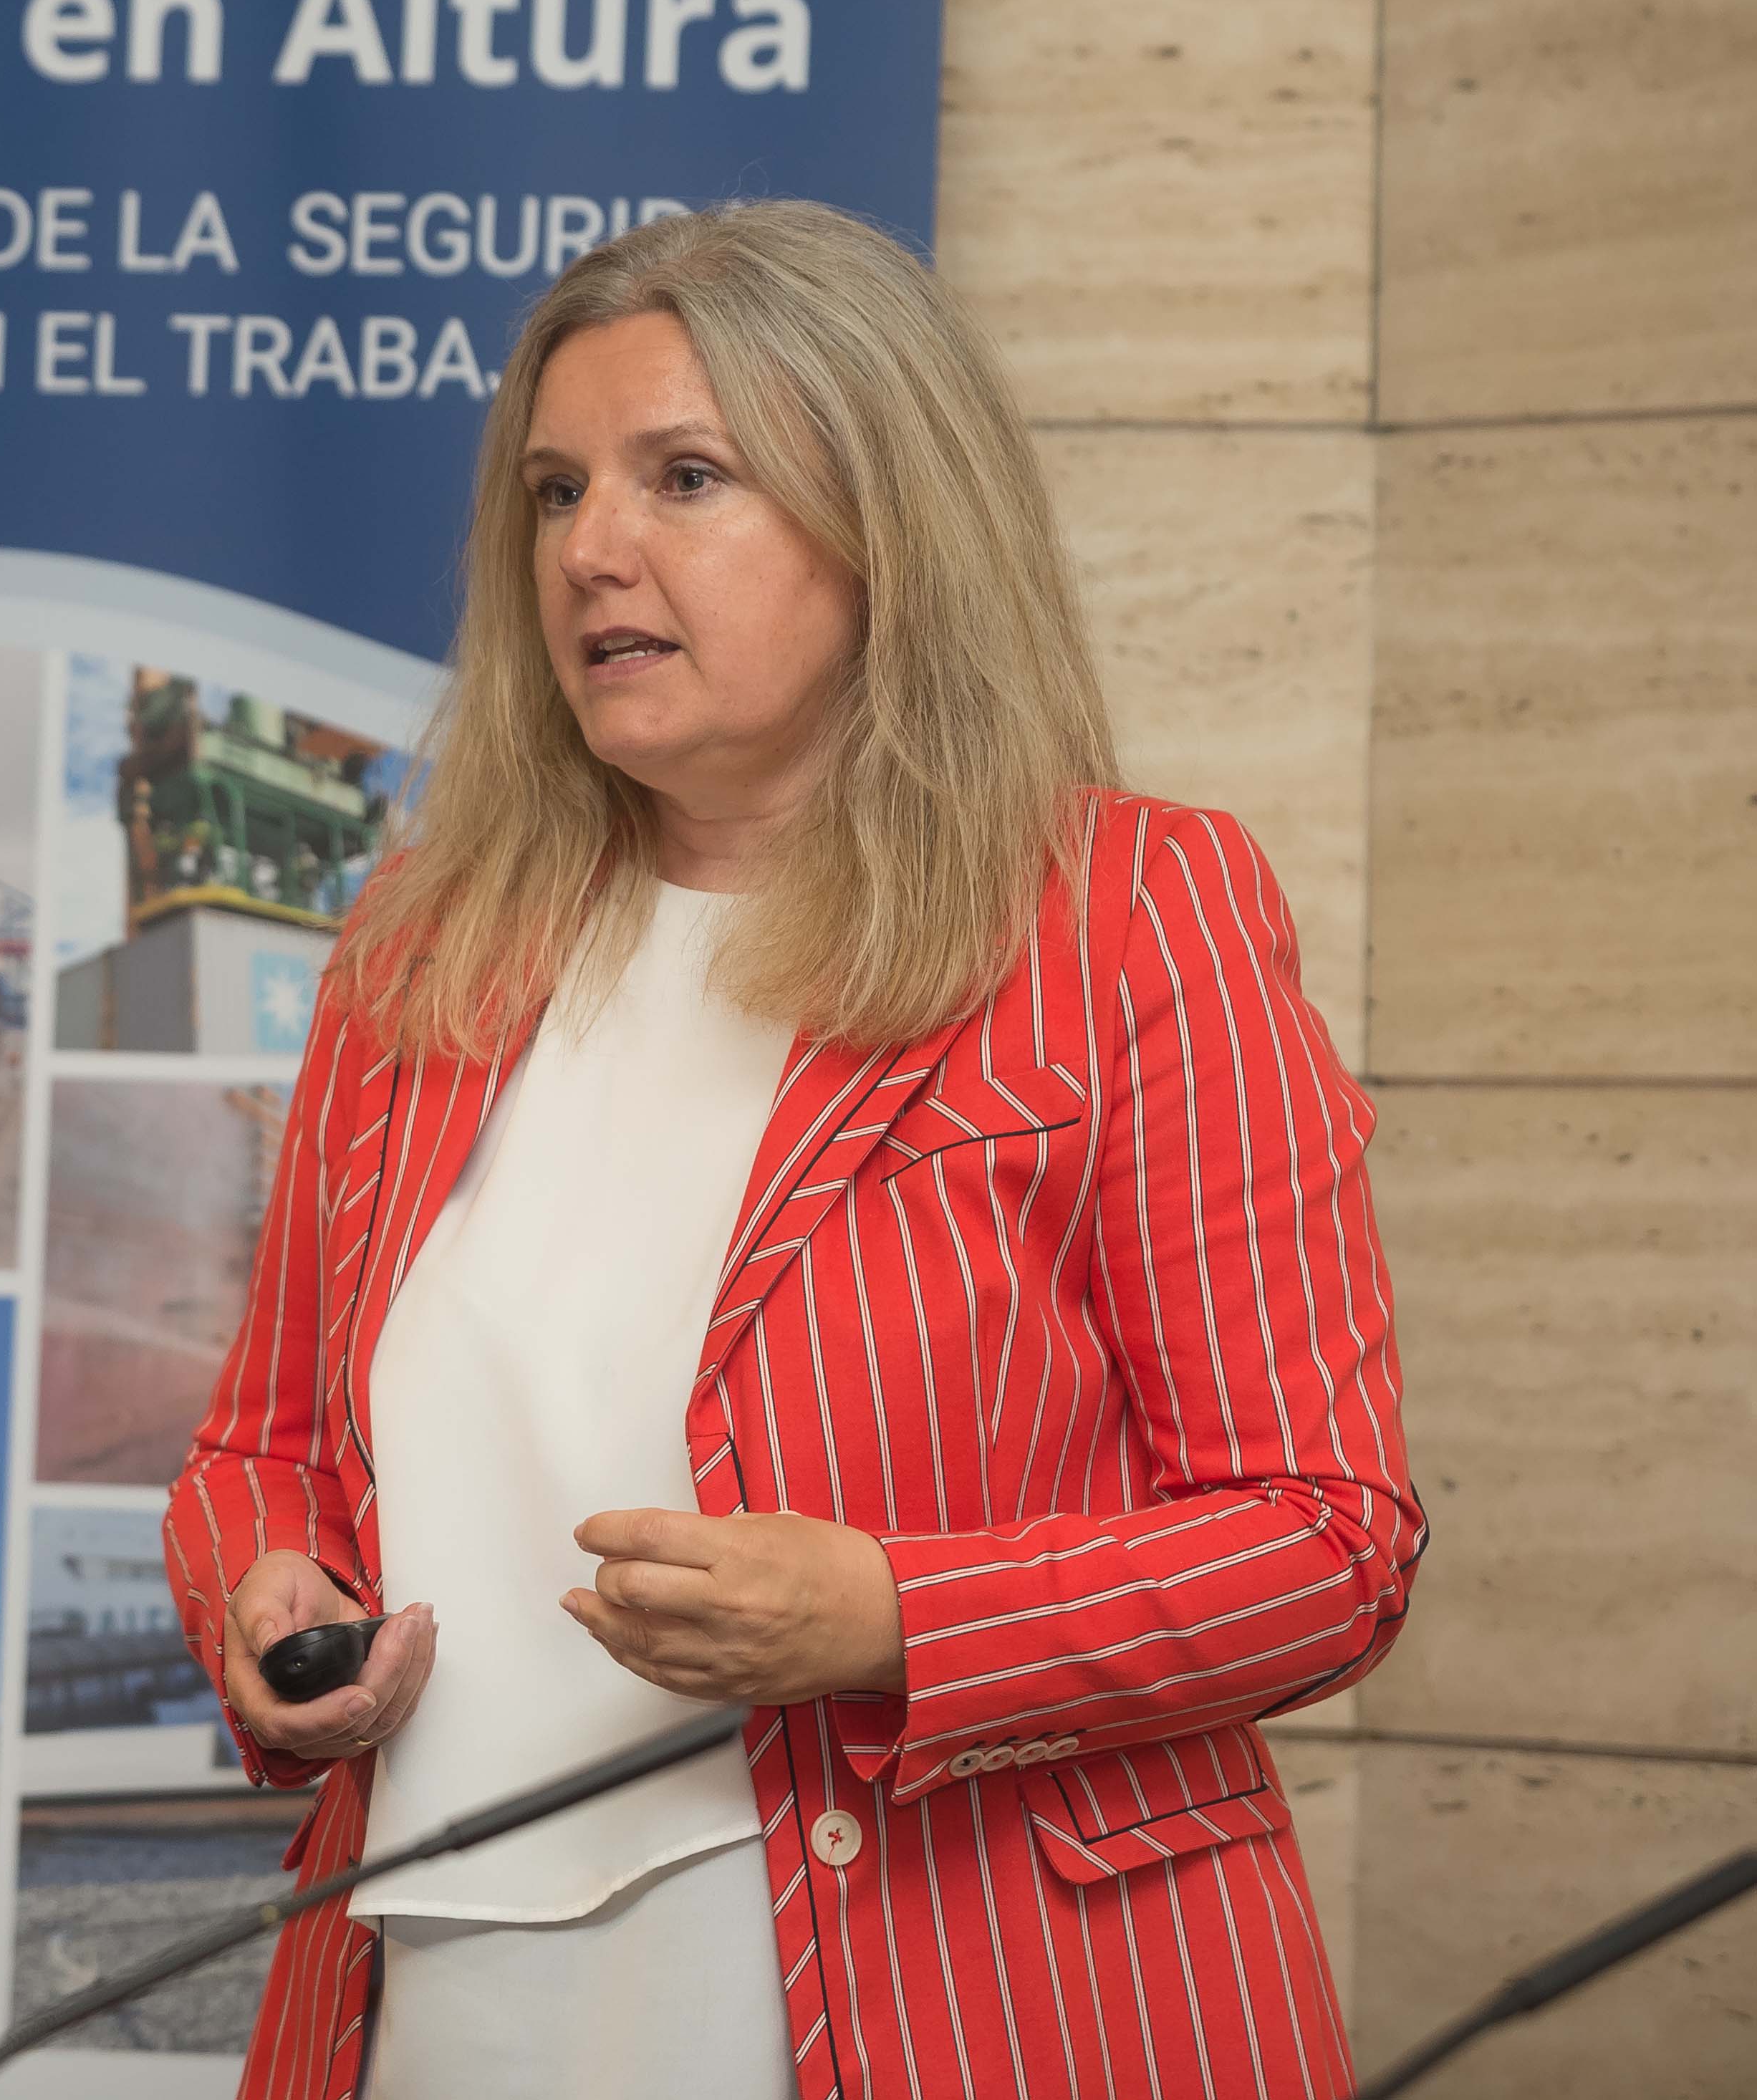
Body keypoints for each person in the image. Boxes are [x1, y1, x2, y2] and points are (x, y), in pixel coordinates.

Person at [163, 201, 1420, 2100]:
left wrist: (890, 1620)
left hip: (971, 2002)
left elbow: (1326, 1540)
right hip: (443, 2004)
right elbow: (261, 1452)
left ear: (888, 523)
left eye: (686, 478)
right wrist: (270, 1599)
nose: (591, 550)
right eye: (555, 491)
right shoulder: (421, 947)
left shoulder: (1128, 916)